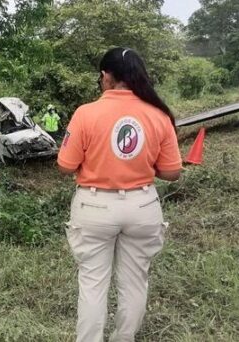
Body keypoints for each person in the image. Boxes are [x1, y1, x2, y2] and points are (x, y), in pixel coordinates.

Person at [57, 47, 182, 342]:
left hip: (95, 207)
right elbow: (172, 172)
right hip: (143, 206)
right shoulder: (158, 114)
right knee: (135, 282)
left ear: (106, 77)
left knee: (93, 284)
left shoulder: (85, 113)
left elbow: (65, 166)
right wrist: (142, 165)